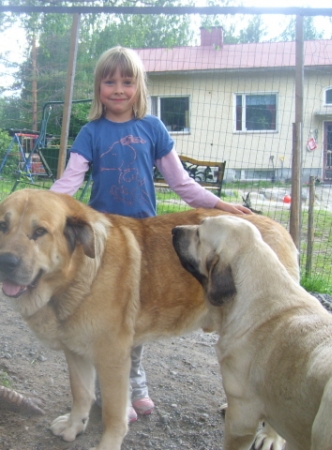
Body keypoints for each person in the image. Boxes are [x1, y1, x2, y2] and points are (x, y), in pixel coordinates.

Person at [50, 46, 252, 423]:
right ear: (98, 88)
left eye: (127, 81)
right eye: (109, 81)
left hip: (145, 241)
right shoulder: (91, 132)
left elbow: (181, 182)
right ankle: (113, 392)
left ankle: (136, 386)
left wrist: (220, 205)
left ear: (139, 86)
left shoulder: (152, 128)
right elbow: (70, 181)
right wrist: (42, 204)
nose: (118, 89)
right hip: (105, 240)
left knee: (135, 315)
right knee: (105, 318)